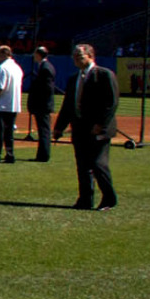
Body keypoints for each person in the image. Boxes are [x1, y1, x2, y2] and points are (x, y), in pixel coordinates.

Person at [53, 41, 118, 210]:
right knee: (82, 166)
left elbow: (111, 103)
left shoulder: (104, 75)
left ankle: (109, 198)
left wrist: (101, 124)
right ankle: (85, 199)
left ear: (90, 56)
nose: (76, 59)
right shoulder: (74, 79)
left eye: (80, 56)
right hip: (80, 128)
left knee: (98, 164)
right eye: (74, 56)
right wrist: (59, 127)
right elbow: (68, 105)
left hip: (98, 129)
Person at [0, 45, 23, 162]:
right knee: (9, 132)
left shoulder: (2, 68)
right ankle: (10, 153)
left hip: (1, 105)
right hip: (13, 105)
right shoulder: (17, 68)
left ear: (4, 54)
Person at [25, 47, 59, 161]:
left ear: (39, 54)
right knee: (43, 130)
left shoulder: (45, 68)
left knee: (44, 130)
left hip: (43, 106)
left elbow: (47, 89)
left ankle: (44, 155)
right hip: (43, 105)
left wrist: (40, 102)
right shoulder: (44, 67)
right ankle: (41, 155)